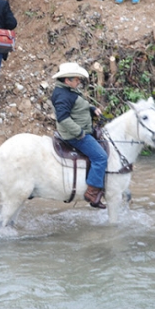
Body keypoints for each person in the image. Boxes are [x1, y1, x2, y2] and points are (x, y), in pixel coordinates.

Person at [50, 62, 107, 209]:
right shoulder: (63, 95)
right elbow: (63, 118)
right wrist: (79, 133)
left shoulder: (67, 90)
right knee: (100, 157)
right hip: (75, 135)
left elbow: (78, 106)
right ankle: (92, 192)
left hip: (80, 130)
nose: (79, 81)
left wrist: (92, 108)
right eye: (76, 79)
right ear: (67, 80)